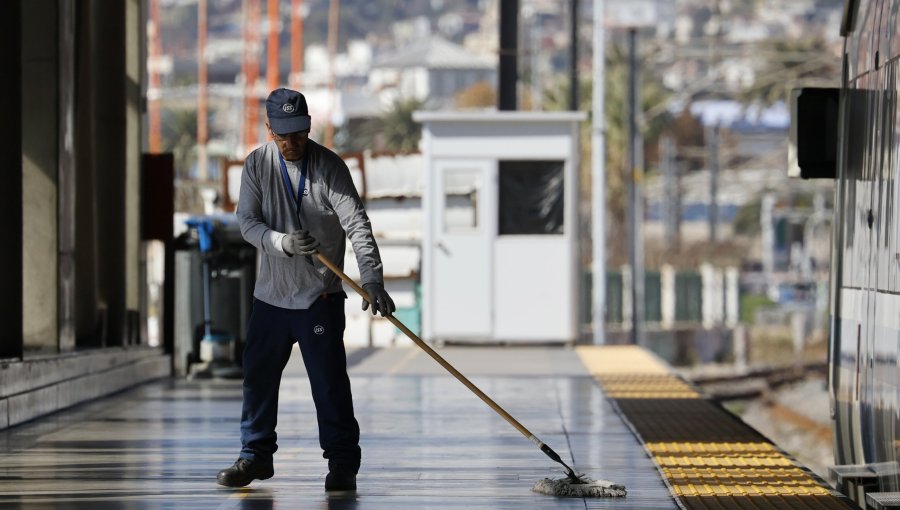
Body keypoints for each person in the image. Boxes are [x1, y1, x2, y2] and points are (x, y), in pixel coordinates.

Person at [217, 88, 395, 491]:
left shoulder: (329, 168)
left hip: (320, 297)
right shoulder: (257, 165)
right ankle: (255, 456)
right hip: (271, 298)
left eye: (298, 133)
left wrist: (372, 279)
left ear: (309, 126)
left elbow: (357, 225)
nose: (291, 143)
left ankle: (343, 463)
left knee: (328, 383)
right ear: (269, 129)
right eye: (283, 135)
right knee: (258, 379)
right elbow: (247, 222)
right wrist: (282, 242)